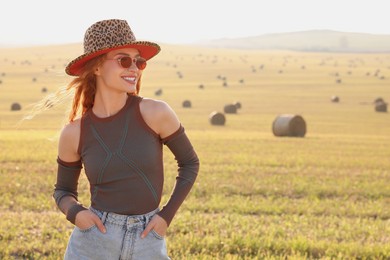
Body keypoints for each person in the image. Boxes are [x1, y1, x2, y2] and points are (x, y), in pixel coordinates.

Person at [53, 19, 200, 259]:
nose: (134, 68)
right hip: (94, 241)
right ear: (97, 67)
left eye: (139, 62)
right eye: (124, 60)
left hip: (147, 238)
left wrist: (166, 216)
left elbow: (190, 163)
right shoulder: (73, 133)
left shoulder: (156, 113)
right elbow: (63, 191)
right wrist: (77, 214)